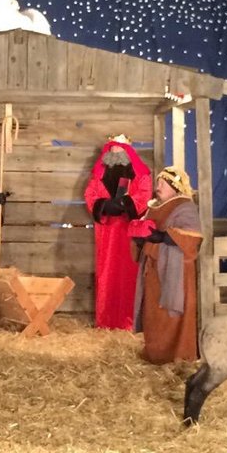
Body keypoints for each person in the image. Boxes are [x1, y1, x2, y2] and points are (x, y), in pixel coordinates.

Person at [133, 166, 203, 364]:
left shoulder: (184, 207)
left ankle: (179, 354)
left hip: (175, 271)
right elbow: (145, 231)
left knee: (170, 314)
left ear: (175, 186)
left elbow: (192, 237)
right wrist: (139, 239)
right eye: (157, 182)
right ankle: (155, 353)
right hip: (153, 270)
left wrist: (162, 236)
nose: (158, 186)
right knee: (153, 312)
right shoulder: (153, 207)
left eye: (163, 183)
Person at [84, 135, 153, 329]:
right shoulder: (98, 175)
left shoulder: (140, 175)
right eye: (111, 150)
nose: (115, 154)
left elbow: (144, 195)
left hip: (129, 233)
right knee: (106, 275)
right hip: (106, 234)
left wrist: (125, 204)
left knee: (129, 275)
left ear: (127, 152)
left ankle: (129, 321)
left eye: (119, 149)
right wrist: (104, 205)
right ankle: (106, 321)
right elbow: (90, 195)